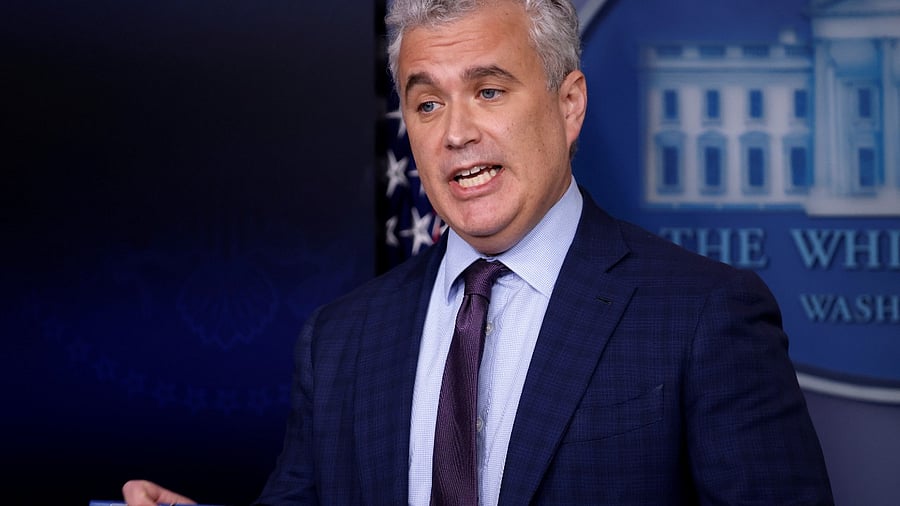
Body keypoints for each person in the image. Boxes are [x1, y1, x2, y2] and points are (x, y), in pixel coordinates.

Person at [124, 0, 834, 504]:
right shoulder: (339, 339)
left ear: (569, 104)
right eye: (427, 104)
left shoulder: (704, 316)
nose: (455, 133)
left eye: (488, 91)